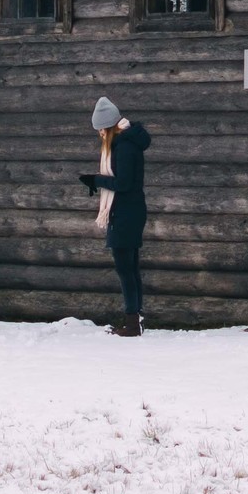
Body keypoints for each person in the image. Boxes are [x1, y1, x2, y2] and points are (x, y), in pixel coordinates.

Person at [81, 95, 150, 336]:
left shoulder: (125, 146)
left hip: (126, 213)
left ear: (109, 127)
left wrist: (95, 179)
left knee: (125, 268)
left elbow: (123, 183)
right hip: (127, 210)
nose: (99, 133)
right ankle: (136, 319)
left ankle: (133, 322)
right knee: (130, 267)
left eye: (101, 129)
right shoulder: (125, 142)